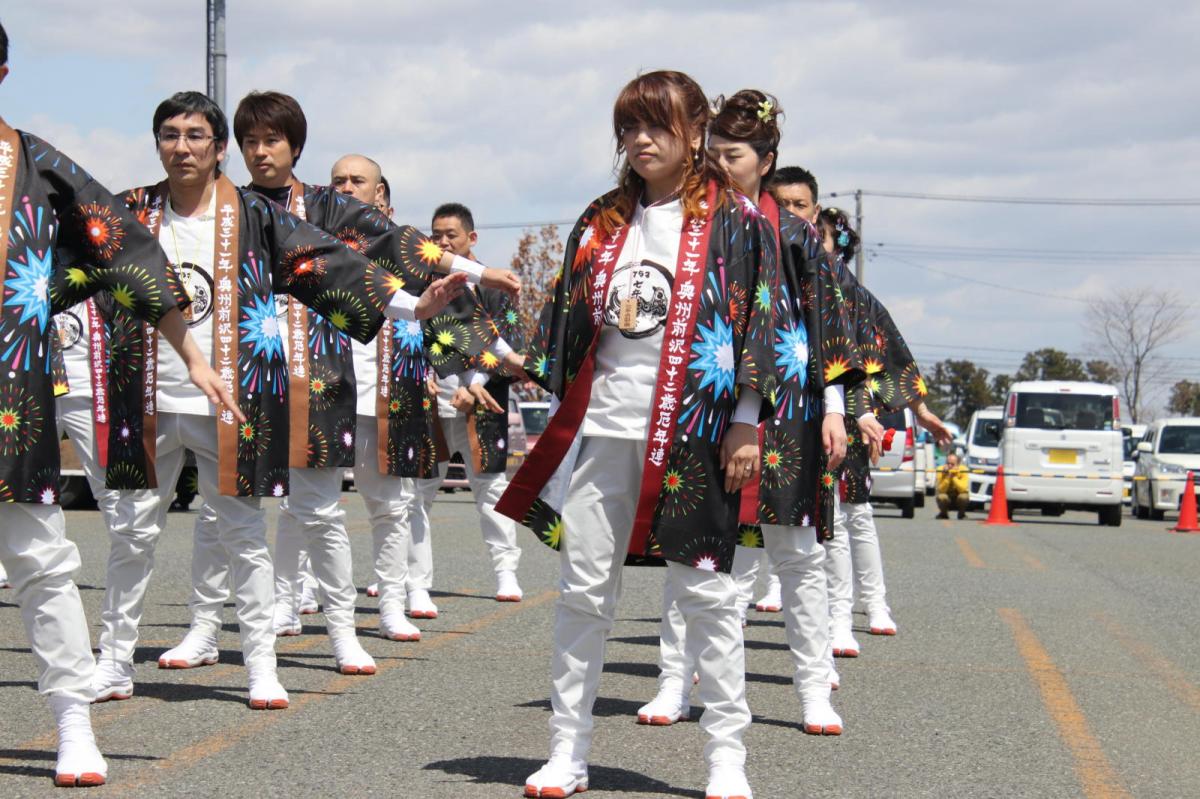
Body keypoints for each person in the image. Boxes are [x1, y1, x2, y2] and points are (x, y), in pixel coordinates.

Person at [91, 91, 475, 711]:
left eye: (196, 136)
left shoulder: (251, 213)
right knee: (132, 531)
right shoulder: (132, 210)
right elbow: (70, 259)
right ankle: (112, 663)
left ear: (216, 148)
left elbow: (327, 265)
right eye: (170, 135)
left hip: (234, 396)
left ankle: (263, 667)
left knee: (244, 530)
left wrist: (415, 303)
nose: (181, 147)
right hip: (149, 392)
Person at [497, 70, 781, 799]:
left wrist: (747, 416)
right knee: (583, 592)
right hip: (604, 429)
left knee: (708, 598)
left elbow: (765, 320)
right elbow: (564, 326)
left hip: (697, 434)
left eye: (658, 124)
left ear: (697, 133)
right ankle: (567, 750)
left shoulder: (736, 220)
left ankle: (726, 757)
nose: (641, 139)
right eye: (629, 125)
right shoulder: (601, 219)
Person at [0, 22, 237, 786]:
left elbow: (128, 250)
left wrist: (192, 352)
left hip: (11, 400)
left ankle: (73, 720)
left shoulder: (36, 169)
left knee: (41, 563)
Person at [639, 90, 862, 738]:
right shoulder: (691, 220)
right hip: (709, 404)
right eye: (712, 150)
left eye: (731, 154)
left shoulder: (793, 235)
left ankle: (813, 689)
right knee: (695, 552)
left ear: (765, 160)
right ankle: (673, 682)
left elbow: (831, 326)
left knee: (797, 556)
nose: (717, 161)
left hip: (789, 409)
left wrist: (837, 408)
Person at [392, 202, 525, 615]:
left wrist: (476, 384)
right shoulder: (421, 284)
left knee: (491, 491)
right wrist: (422, 376)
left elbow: (509, 345)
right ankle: (415, 582)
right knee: (417, 496)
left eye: (451, 234)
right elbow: (408, 336)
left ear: (472, 237)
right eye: (437, 235)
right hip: (430, 404)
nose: (443, 241)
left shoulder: (493, 283)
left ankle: (506, 572)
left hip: (482, 406)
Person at [747, 164, 822, 614]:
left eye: (800, 206)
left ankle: (826, 649)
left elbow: (842, 342)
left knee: (809, 543)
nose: (791, 213)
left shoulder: (819, 261)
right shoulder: (732, 243)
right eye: (783, 204)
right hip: (737, 406)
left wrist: (848, 407)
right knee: (727, 547)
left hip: (799, 412)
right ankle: (688, 669)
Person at [936, 451, 970, 519]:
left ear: (958, 464)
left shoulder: (964, 470)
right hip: (947, 497)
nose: (950, 466)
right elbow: (941, 489)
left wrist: (954, 477)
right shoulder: (940, 470)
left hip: (958, 497)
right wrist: (947, 477)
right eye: (948, 463)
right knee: (941, 497)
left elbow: (963, 489)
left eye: (952, 464)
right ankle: (943, 514)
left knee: (964, 497)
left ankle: (961, 514)